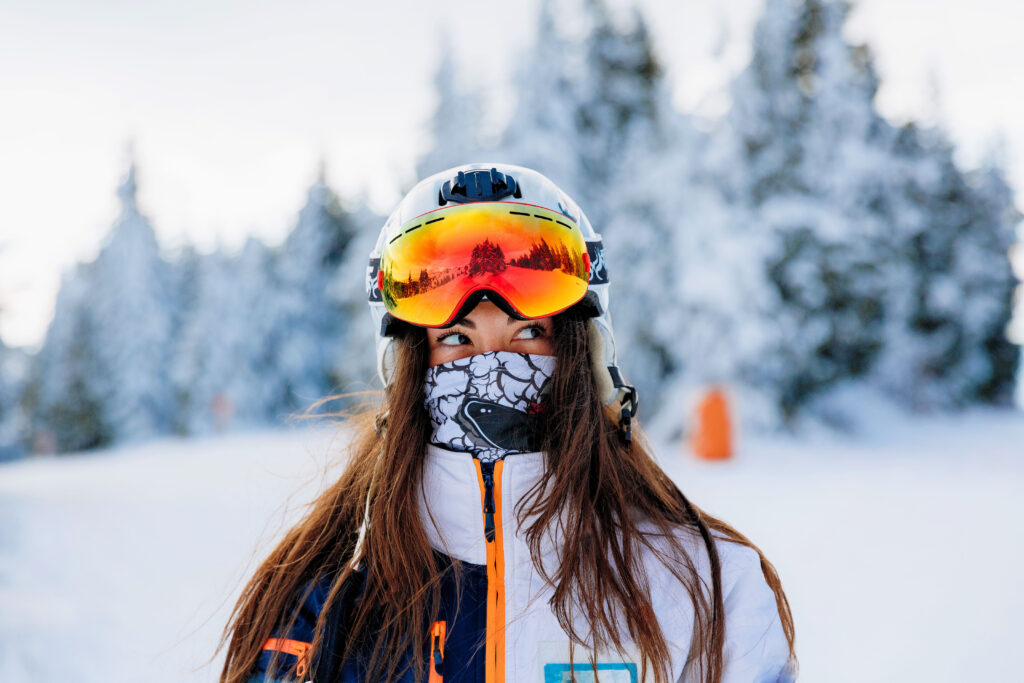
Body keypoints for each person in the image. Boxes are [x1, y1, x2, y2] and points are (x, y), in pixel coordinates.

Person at [217, 163, 796, 683]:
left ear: (583, 354)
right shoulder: (323, 601)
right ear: (408, 363)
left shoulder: (704, 587)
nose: (492, 367)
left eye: (529, 333)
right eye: (456, 339)